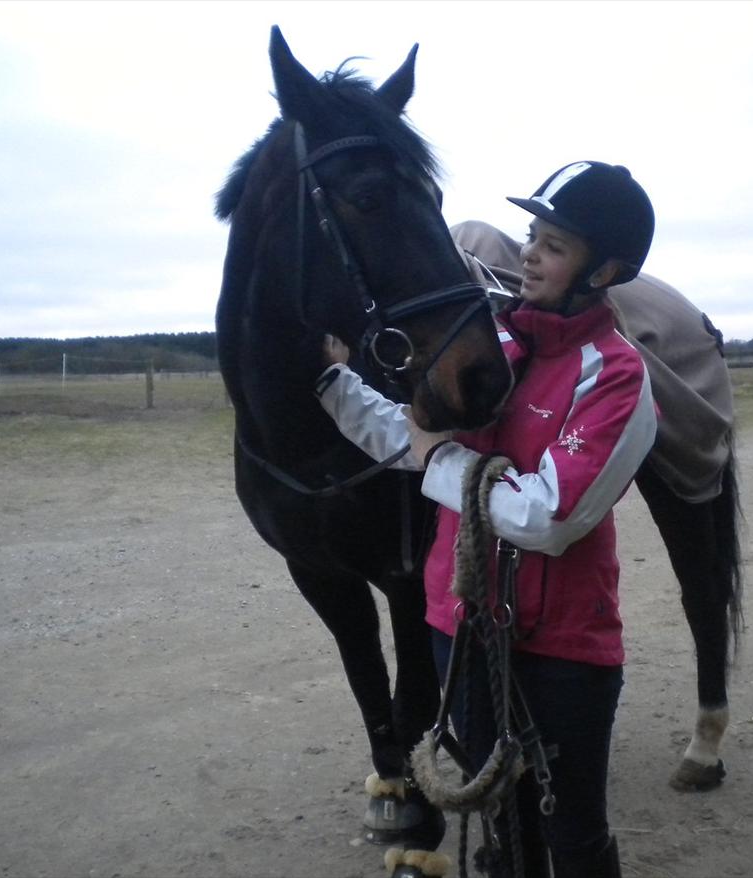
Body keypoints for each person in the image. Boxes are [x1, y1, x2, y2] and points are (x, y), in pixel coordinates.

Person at [315, 161, 658, 878]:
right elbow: (405, 437)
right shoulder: (499, 352)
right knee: (500, 822)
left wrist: (442, 464)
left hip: (561, 653)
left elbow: (548, 517)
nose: (529, 252)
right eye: (534, 234)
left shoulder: (617, 375)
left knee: (571, 833)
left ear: (605, 271)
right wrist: (329, 383)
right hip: (460, 634)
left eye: (555, 244)